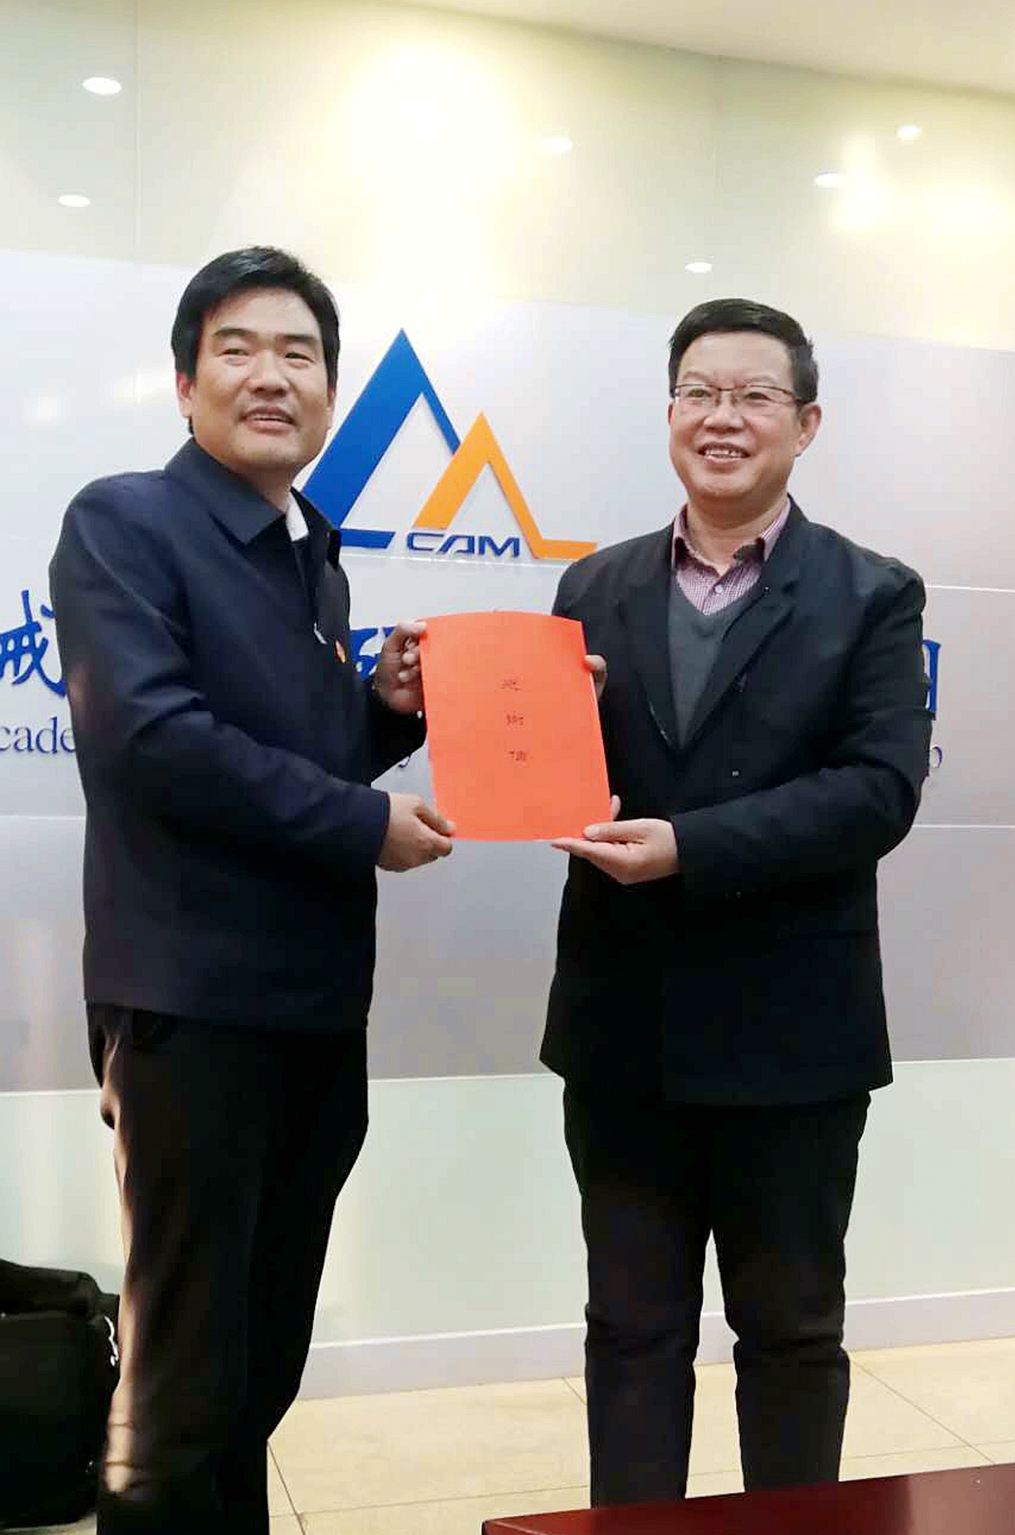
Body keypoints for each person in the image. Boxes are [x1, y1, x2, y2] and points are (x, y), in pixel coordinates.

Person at [49, 246, 453, 1534]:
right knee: (183, 1384)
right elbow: (153, 741)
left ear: (330, 392)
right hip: (194, 1009)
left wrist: (380, 714)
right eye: (237, 349)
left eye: (299, 354)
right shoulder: (124, 522)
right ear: (185, 383)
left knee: (258, 1368)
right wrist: (363, 821)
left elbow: (297, 757)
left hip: (316, 1008)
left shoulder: (311, 553)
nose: (270, 376)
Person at [545, 298, 932, 1504]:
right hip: (623, 1030)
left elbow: (877, 790)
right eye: (698, 392)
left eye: (754, 395)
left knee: (791, 1334)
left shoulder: (872, 593)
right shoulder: (590, 586)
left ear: (804, 423)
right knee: (630, 1332)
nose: (723, 417)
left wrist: (690, 848)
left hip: (792, 1037)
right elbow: (553, 775)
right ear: (668, 412)